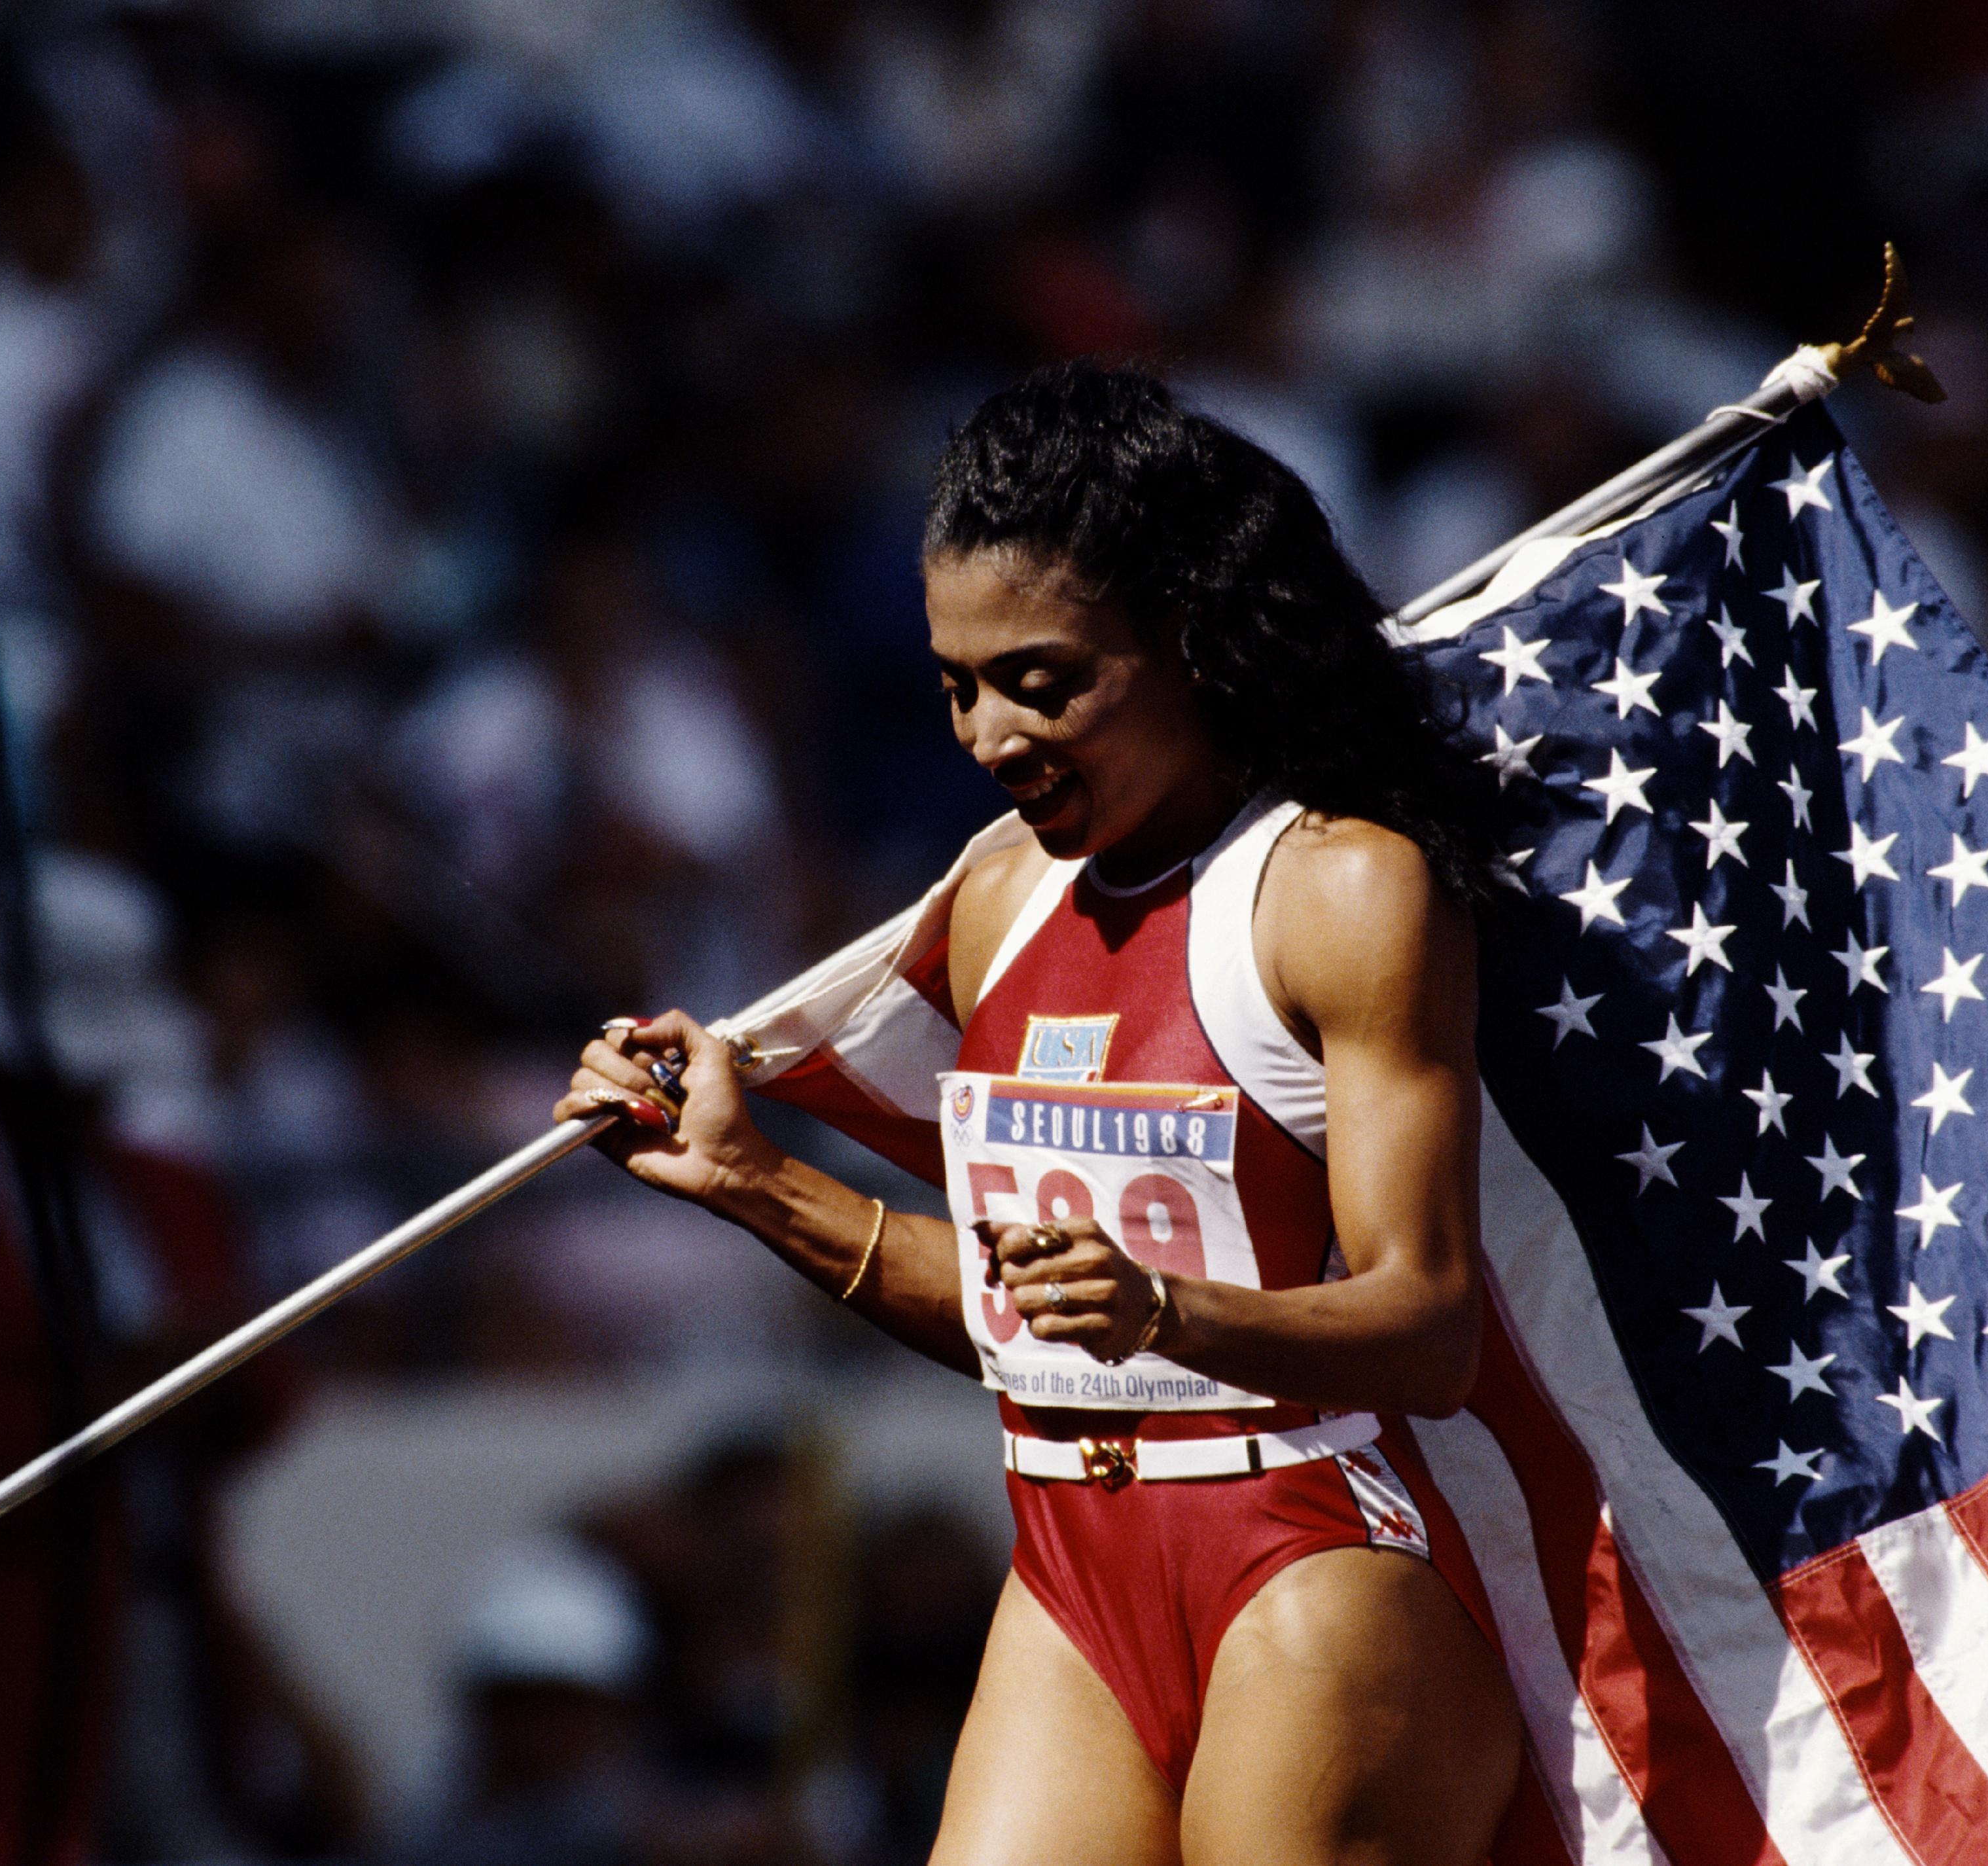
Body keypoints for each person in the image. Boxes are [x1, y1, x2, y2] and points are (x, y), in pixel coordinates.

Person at [556, 363, 1522, 1865]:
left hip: (1312, 1554)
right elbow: (1024, 1318)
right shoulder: (997, 892)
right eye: (957, 684)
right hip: (1069, 1560)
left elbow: (1432, 1327)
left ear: (1195, 638)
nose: (994, 736)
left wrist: (1169, 1310)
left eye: (1043, 679)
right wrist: (752, 1183)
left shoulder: (1340, 885)